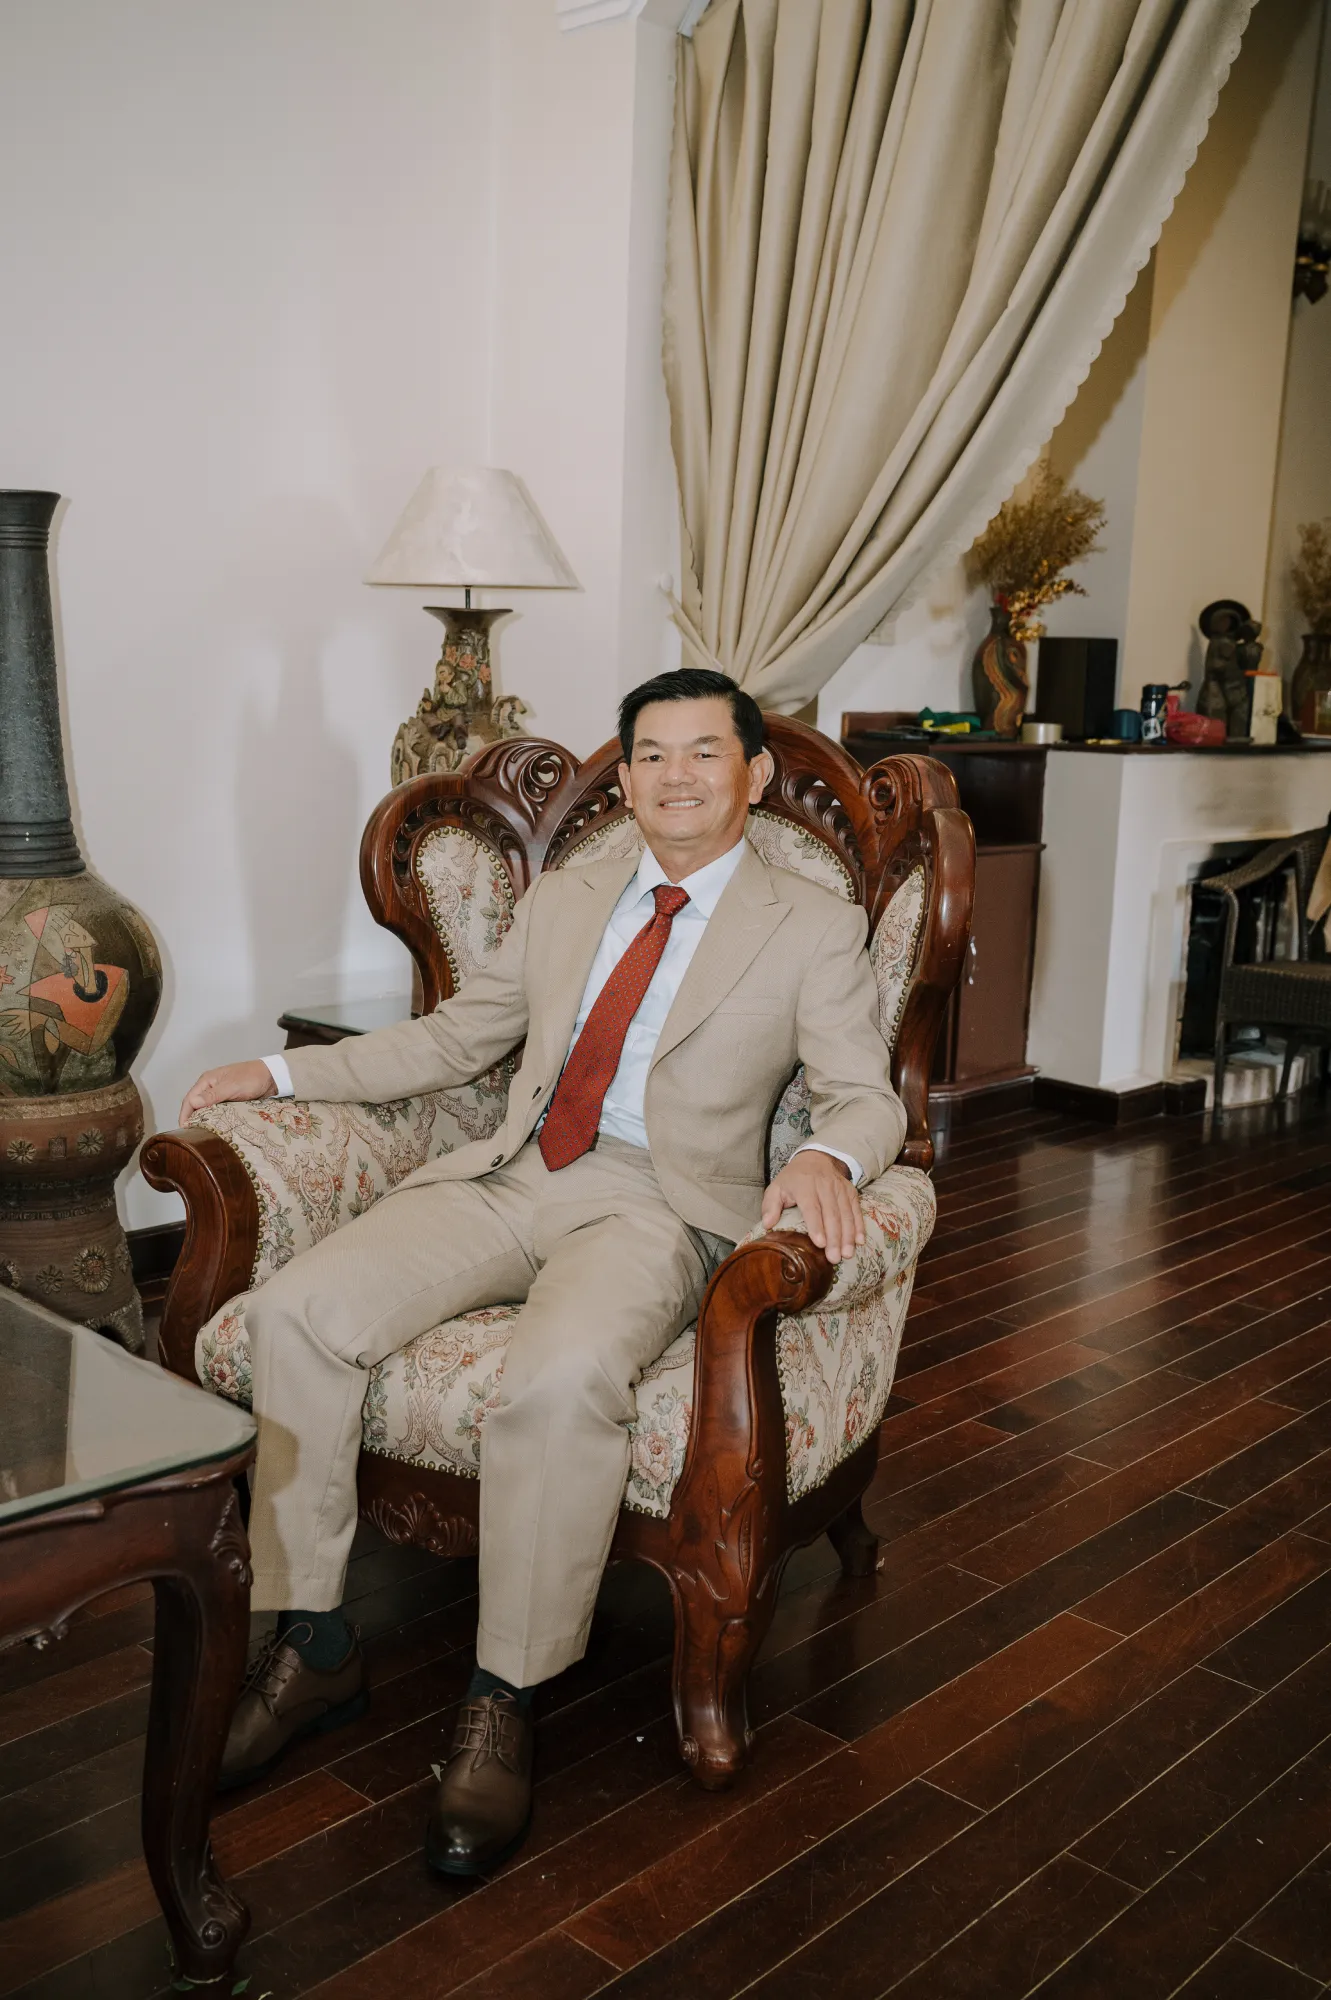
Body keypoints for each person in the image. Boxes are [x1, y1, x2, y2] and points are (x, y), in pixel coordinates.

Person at [180, 667, 905, 1875]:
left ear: (753, 775)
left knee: (557, 1381)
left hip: (656, 1208)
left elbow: (860, 1094)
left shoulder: (811, 923)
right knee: (299, 1310)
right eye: (652, 756)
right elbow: (460, 1038)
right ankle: (313, 1639)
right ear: (622, 778)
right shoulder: (569, 894)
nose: (675, 776)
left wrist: (828, 1156)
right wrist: (280, 1072)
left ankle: (500, 1696)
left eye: (703, 753)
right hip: (513, 1170)